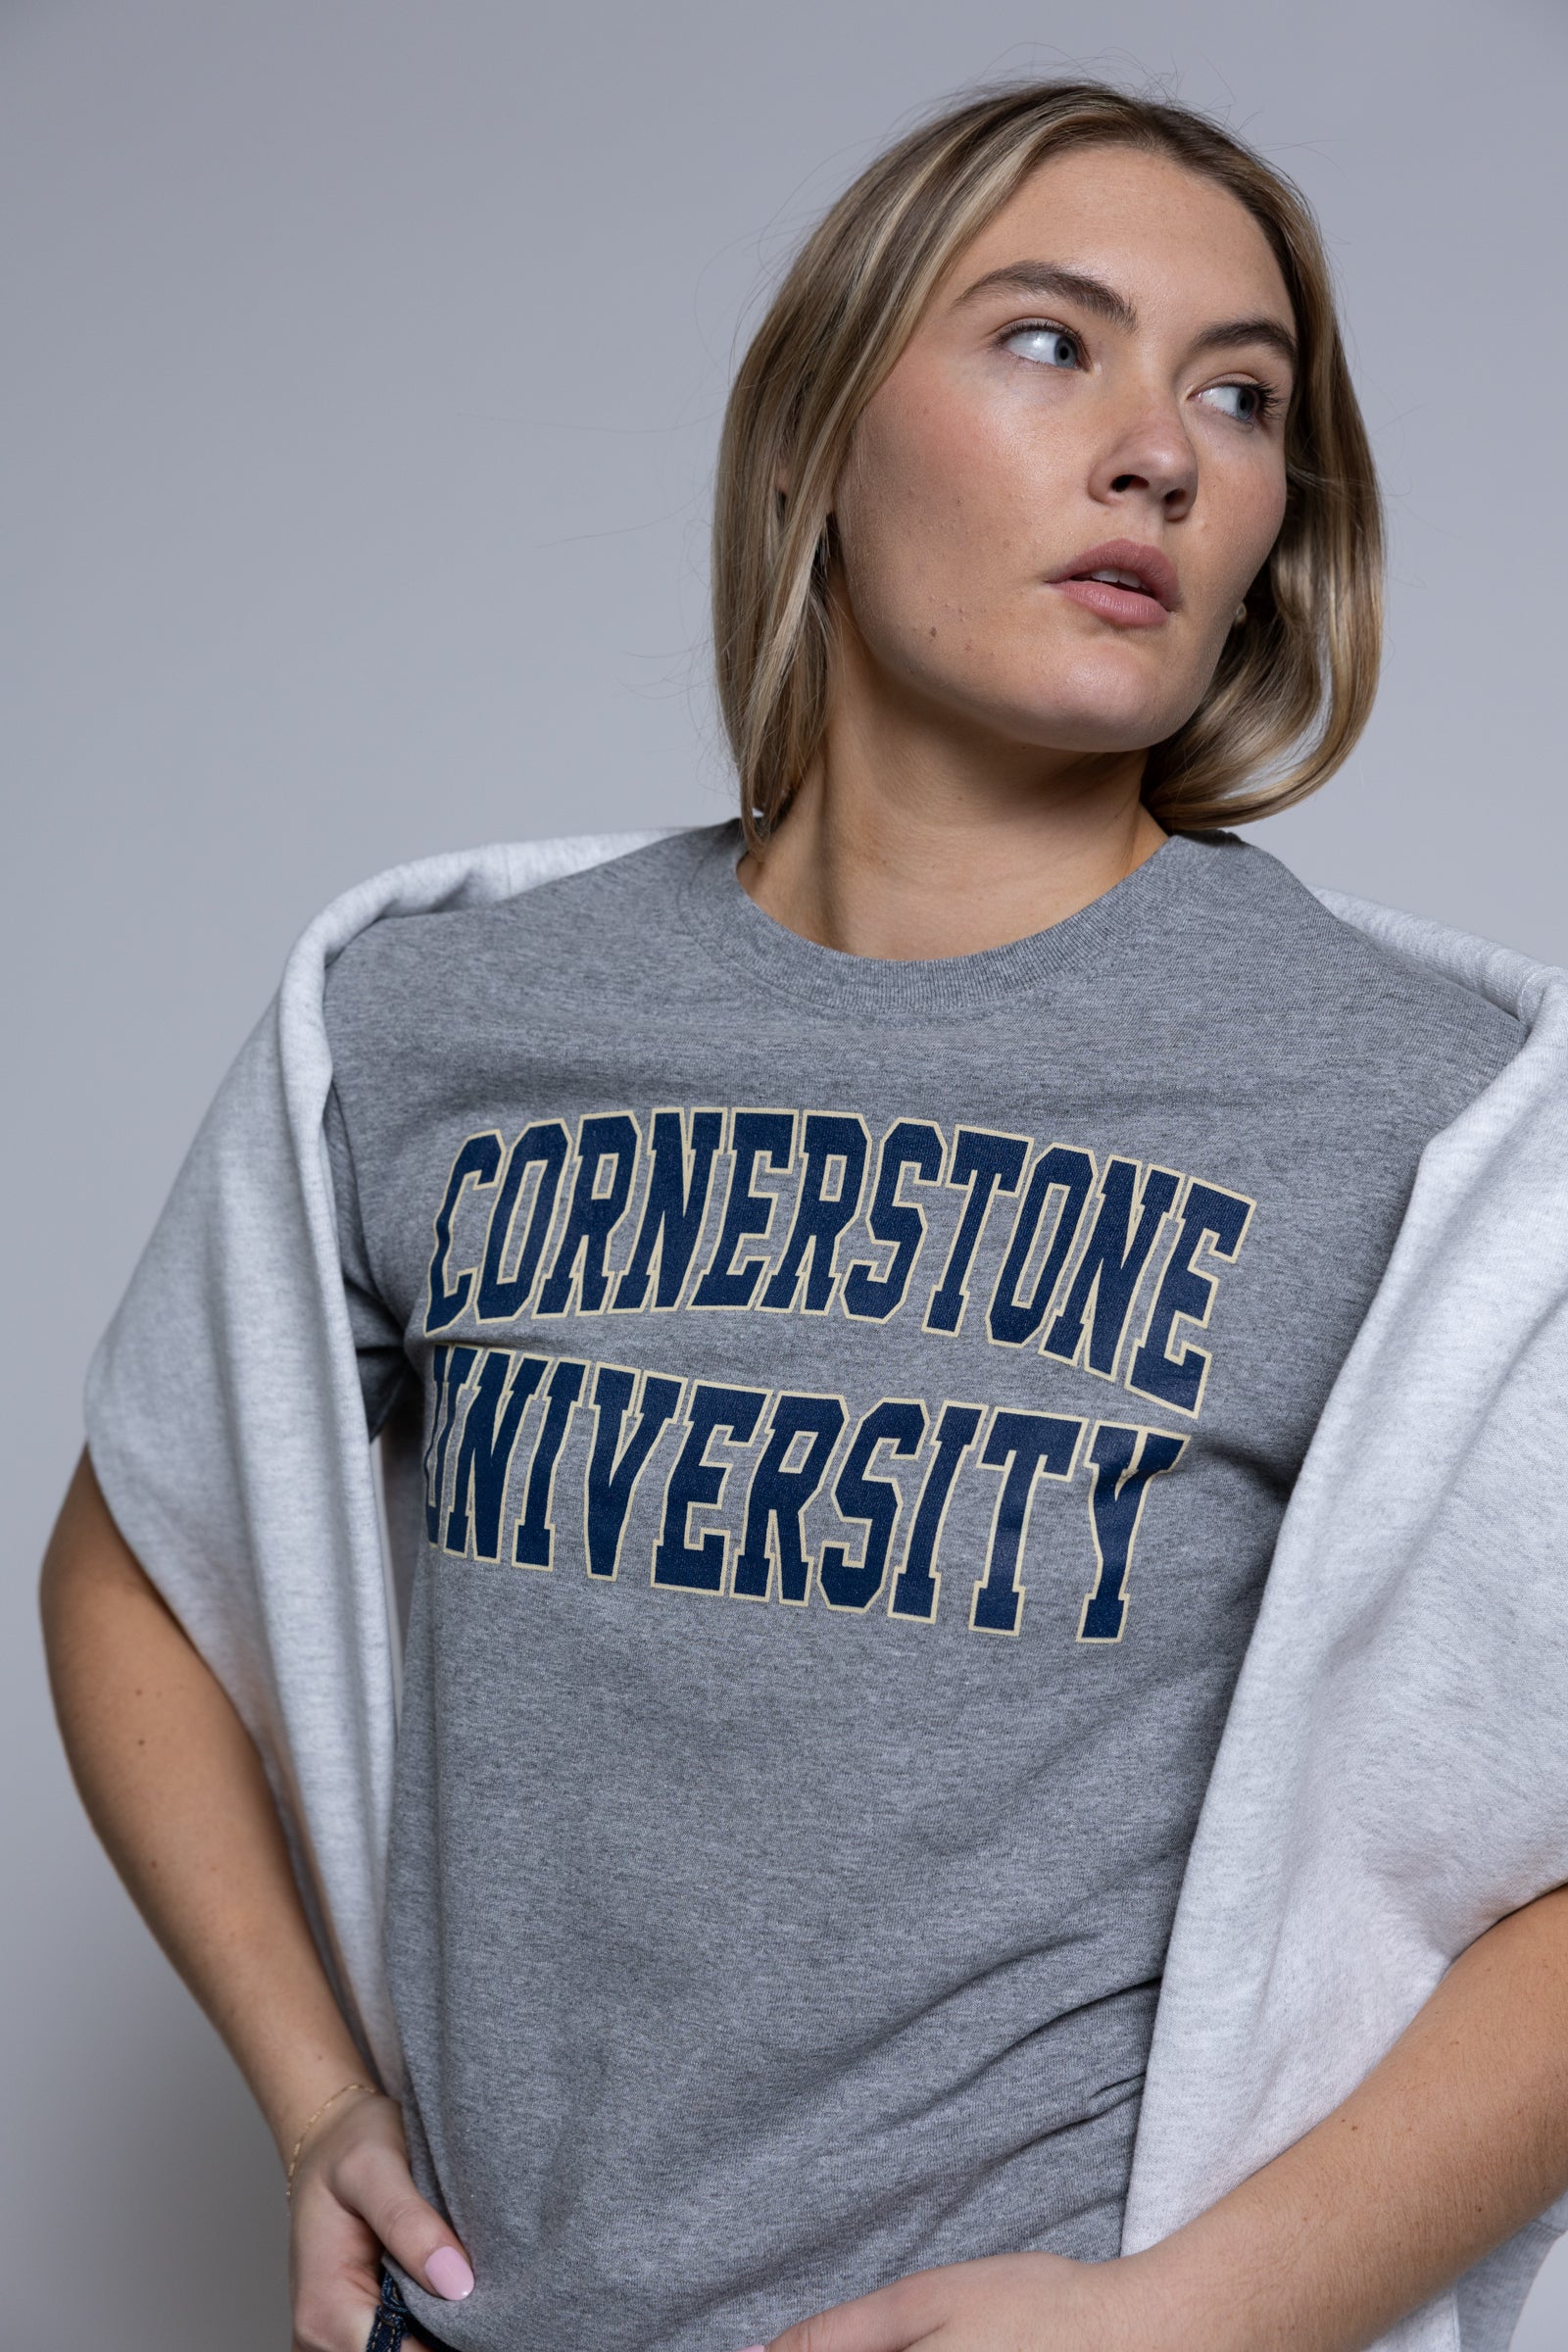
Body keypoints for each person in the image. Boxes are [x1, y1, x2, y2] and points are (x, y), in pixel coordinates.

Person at [39, 77, 1568, 2352]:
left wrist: (1207, 2317)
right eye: (1051, 343)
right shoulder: (444, 1018)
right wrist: (307, 2089)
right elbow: (134, 1556)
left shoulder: (1418, 1112)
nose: (1157, 446)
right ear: (815, 436)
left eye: (1238, 397)